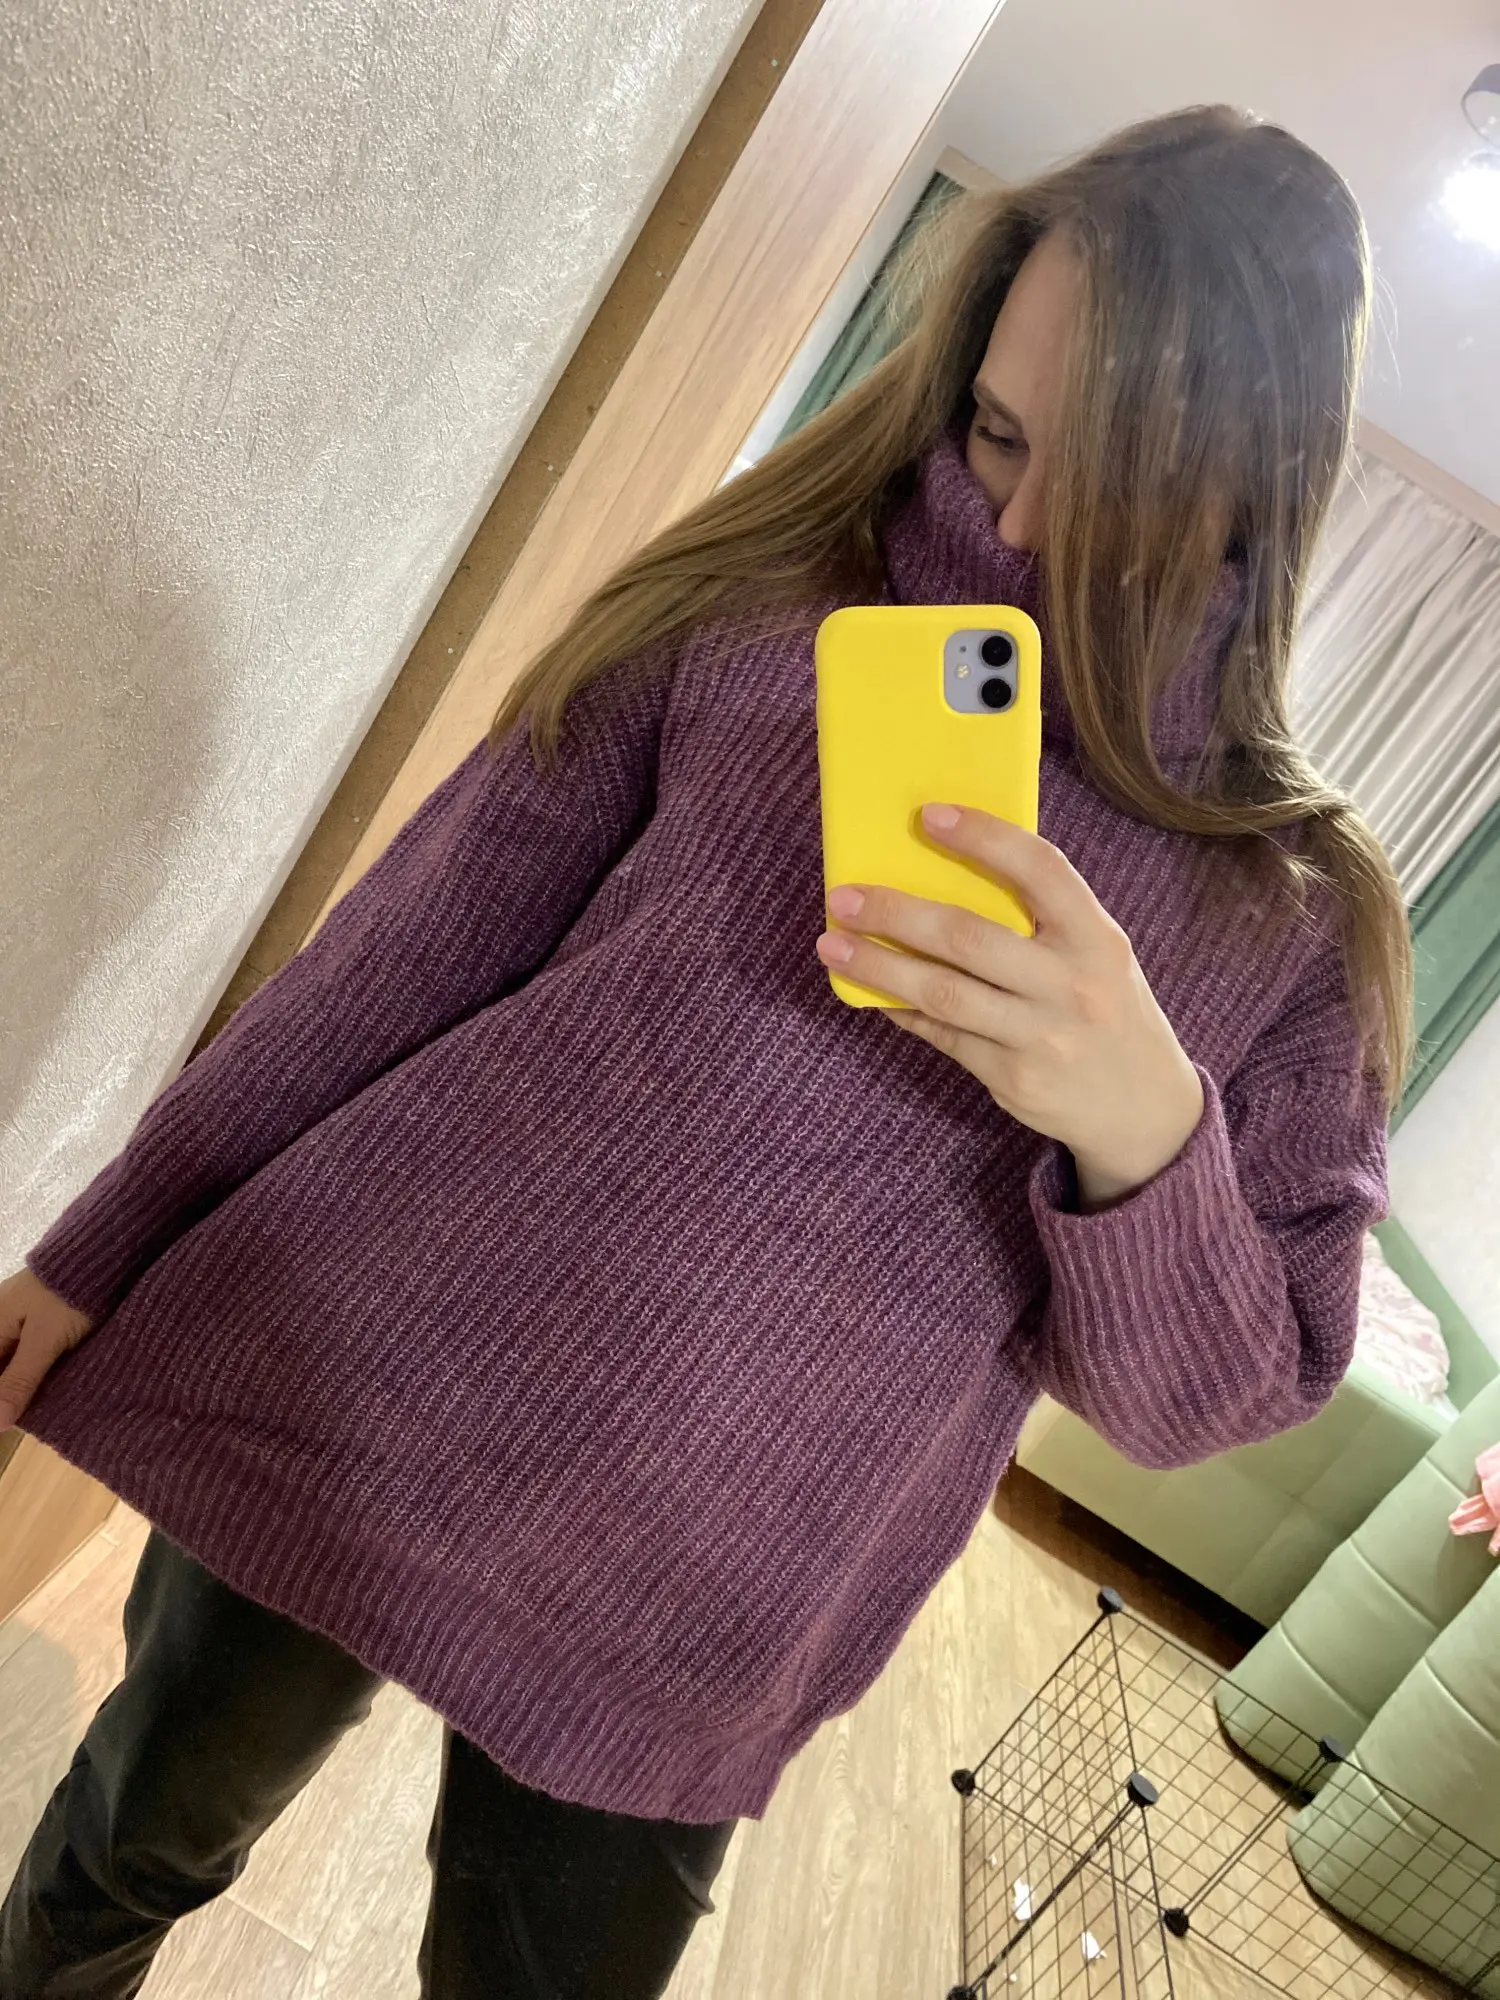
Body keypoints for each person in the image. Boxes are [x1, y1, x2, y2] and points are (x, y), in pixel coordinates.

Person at [0, 104, 1409, 1999]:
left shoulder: (1295, 907)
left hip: (717, 1585)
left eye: (1129, 475)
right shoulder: (766, 593)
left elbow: (1213, 1399)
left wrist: (1147, 1136)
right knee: (122, 1848)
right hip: (370, 1361)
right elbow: (407, 953)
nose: (1021, 531)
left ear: (1267, 482)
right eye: (1000, 432)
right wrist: (105, 1241)